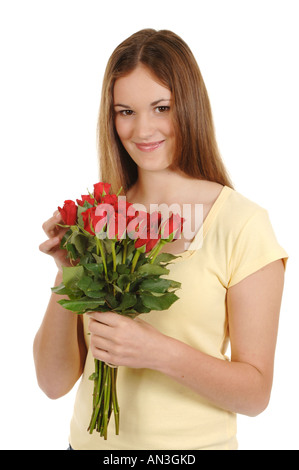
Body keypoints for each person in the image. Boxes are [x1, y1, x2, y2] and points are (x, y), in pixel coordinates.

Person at [34, 29, 288, 450]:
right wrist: (69, 270)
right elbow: (52, 383)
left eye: (161, 107)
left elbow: (256, 394)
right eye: (125, 111)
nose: (143, 128)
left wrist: (157, 351)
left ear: (188, 106)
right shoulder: (98, 221)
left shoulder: (241, 224)